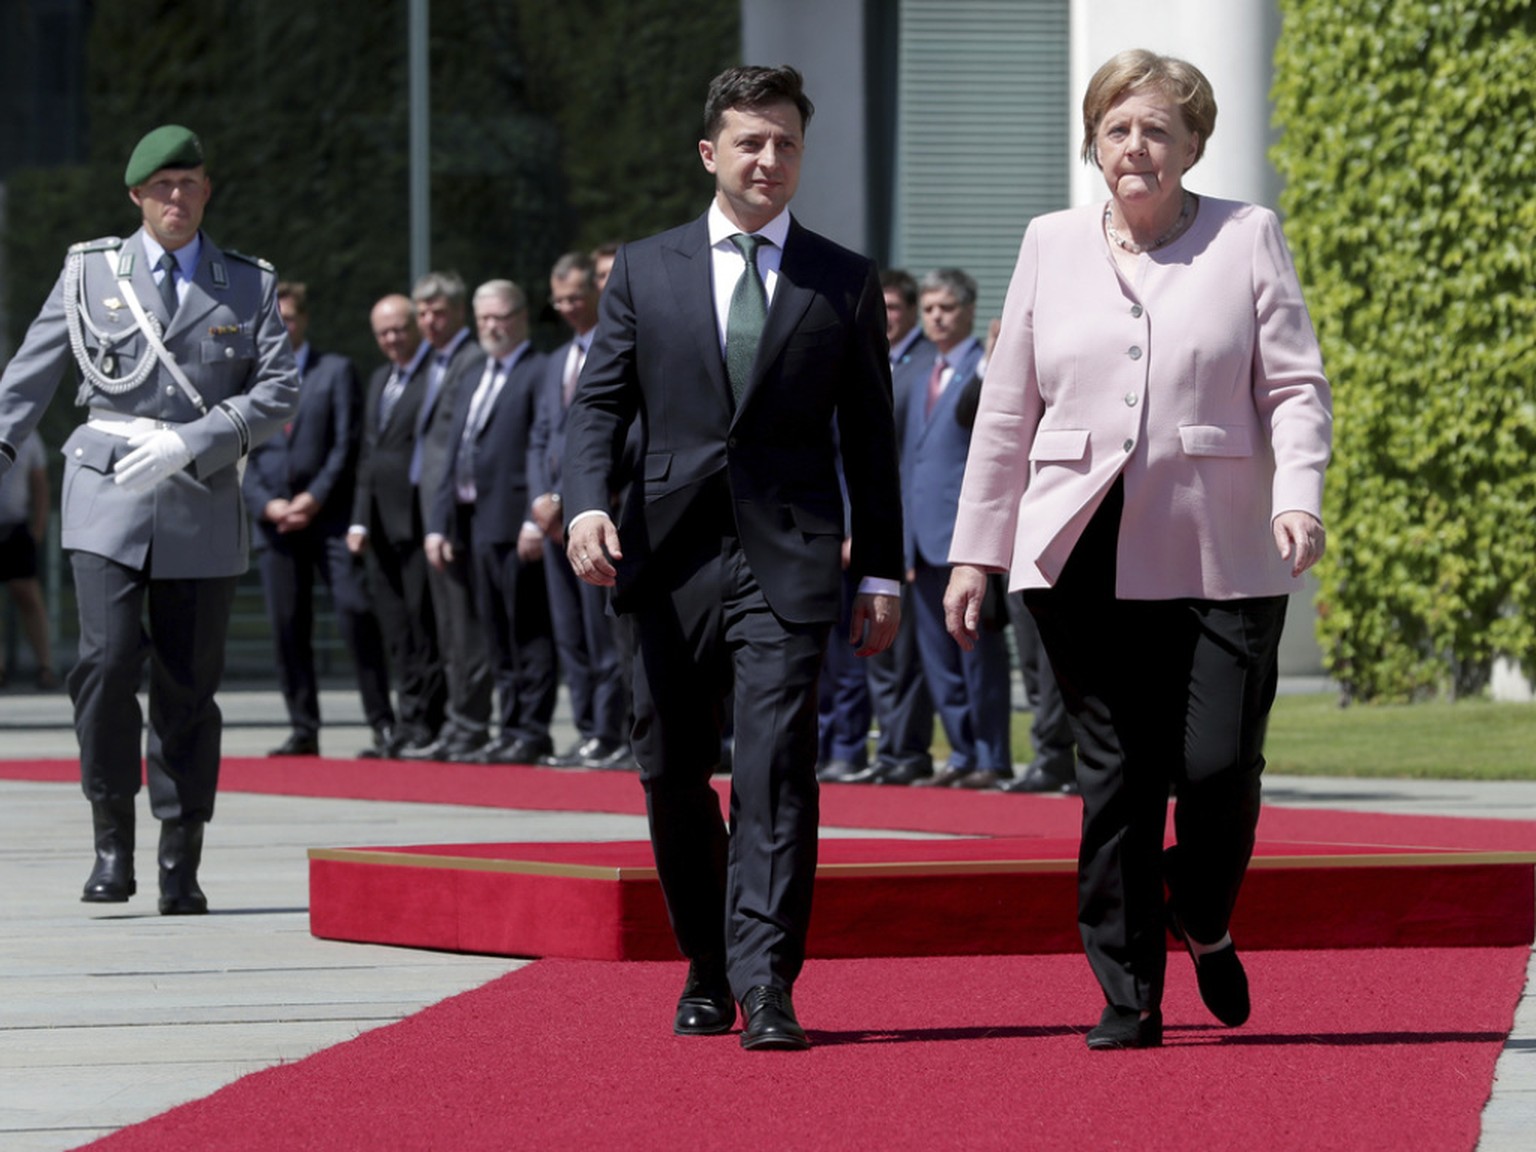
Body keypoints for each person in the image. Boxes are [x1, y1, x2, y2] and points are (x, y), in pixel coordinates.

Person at [945, 50, 1331, 1050]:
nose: (1134, 147)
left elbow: (1294, 388)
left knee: (1215, 767)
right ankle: (1128, 991)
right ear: (1093, 142)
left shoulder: (1249, 235)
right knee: (1115, 777)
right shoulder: (1049, 240)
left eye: (1156, 129)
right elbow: (1007, 412)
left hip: (1222, 545)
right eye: (1117, 129)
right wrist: (974, 555)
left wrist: (1299, 496)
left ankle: (1199, 911)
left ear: (1194, 143)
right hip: (1079, 544)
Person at [562, 65, 903, 1050]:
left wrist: (879, 568)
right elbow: (599, 406)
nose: (770, 159)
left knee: (776, 769)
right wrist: (586, 506)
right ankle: (707, 967)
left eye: (786, 143)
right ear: (712, 154)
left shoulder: (842, 280)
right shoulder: (647, 268)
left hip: (789, 560)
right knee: (672, 771)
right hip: (665, 560)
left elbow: (870, 439)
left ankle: (770, 983)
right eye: (752, 142)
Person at [0, 124, 298, 913]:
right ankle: (110, 842)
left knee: (189, 686)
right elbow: (32, 370)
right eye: (161, 187)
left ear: (207, 191)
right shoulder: (89, 270)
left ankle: (180, 856)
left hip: (199, 499)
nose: (176, 198)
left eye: (189, 184)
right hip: (107, 495)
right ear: (137, 196)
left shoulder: (249, 284)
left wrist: (193, 442)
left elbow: (277, 391)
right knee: (102, 667)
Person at [244, 282, 395, 757]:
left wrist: (313, 498)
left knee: (355, 612)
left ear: (304, 320)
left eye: (289, 318)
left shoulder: (335, 371)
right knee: (288, 625)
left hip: (328, 518)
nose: (283, 326)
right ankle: (303, 727)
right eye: (275, 320)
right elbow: (238, 453)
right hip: (275, 522)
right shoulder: (249, 379)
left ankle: (383, 723)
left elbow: (349, 444)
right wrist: (267, 504)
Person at [427, 279, 557, 764]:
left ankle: (531, 730)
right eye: (483, 318)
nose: (491, 326)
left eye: (499, 316)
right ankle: (508, 727)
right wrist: (439, 523)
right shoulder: (476, 373)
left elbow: (540, 447)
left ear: (521, 316)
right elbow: (454, 452)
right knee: (496, 632)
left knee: (528, 631)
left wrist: (533, 518)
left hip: (516, 521)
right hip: (475, 521)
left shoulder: (537, 370)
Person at [901, 268, 1012, 790]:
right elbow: (908, 459)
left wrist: (994, 360)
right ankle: (962, 754)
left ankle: (992, 755)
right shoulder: (916, 368)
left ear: (967, 309)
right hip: (920, 538)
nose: (936, 317)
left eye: (946, 307)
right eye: (928, 309)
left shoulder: (986, 363)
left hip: (967, 536)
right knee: (937, 658)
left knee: (978, 656)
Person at [830, 269, 937, 786]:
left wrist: (876, 540)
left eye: (895, 308)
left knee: (902, 655)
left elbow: (887, 462)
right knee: (854, 657)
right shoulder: (858, 355)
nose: (887, 318)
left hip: (897, 536)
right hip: (844, 530)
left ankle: (903, 751)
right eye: (883, 309)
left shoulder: (921, 367)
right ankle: (873, 749)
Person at [528, 253, 629, 769]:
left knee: (603, 634)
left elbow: (607, 432)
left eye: (575, 297)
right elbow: (542, 437)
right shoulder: (554, 361)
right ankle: (588, 729)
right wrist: (540, 504)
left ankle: (612, 732)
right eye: (559, 299)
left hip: (596, 515)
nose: (568, 307)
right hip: (553, 524)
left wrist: (569, 502)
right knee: (571, 635)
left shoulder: (619, 347)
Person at [348, 294, 444, 756]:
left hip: (419, 520)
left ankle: (428, 721)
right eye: (383, 332)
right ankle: (405, 722)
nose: (391, 339)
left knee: (423, 625)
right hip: (381, 526)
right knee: (396, 628)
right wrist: (359, 520)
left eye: (398, 329)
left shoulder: (434, 378)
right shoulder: (379, 379)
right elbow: (369, 453)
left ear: (416, 328)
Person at [403, 271, 492, 761]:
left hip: (453, 511)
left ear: (459, 312)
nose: (429, 321)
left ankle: (470, 723)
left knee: (465, 624)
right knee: (445, 625)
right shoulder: (431, 362)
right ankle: (457, 722)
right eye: (423, 313)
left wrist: (441, 517)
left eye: (439, 312)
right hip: (428, 507)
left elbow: (458, 443)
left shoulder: (470, 359)